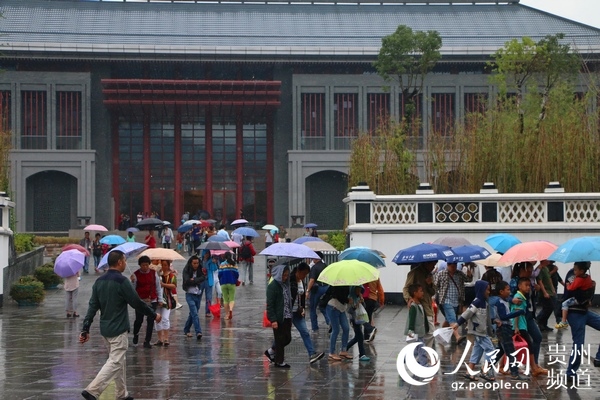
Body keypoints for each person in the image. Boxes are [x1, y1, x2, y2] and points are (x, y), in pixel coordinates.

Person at [79, 250, 161, 400]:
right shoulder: (122, 281)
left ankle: (122, 394)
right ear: (119, 262)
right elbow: (136, 302)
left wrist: (86, 328)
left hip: (105, 328)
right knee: (115, 361)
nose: (125, 263)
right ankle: (93, 390)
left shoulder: (99, 281)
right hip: (118, 328)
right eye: (124, 260)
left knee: (119, 361)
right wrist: (153, 314)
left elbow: (92, 306)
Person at [265, 263, 325, 365]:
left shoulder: (301, 282)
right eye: (304, 273)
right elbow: (279, 300)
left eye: (306, 274)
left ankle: (311, 354)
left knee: (304, 332)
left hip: (297, 313)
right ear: (298, 271)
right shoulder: (288, 281)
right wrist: (274, 318)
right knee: (284, 337)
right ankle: (274, 354)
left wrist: (302, 308)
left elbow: (301, 297)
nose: (305, 276)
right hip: (287, 313)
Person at [451, 280, 495, 382]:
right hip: (479, 332)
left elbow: (486, 318)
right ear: (481, 290)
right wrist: (457, 324)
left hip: (481, 331)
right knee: (491, 350)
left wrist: (491, 326)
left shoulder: (484, 302)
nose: (488, 292)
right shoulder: (477, 302)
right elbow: (467, 313)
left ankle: (469, 372)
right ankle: (485, 371)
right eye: (487, 290)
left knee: (477, 351)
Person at [564, 261, 600, 381]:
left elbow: (588, 295)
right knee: (578, 343)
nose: (590, 263)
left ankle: (599, 358)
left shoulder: (586, 276)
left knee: (578, 343)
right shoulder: (573, 274)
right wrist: (586, 293)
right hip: (575, 312)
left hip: (584, 311)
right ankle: (571, 373)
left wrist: (591, 289)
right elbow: (571, 291)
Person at [491, 281, 529, 381]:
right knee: (511, 351)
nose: (509, 292)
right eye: (507, 290)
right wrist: (517, 313)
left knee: (500, 351)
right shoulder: (500, 302)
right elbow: (503, 317)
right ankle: (514, 373)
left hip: (505, 328)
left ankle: (487, 366)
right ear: (501, 291)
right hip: (504, 329)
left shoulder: (504, 301)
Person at [511, 277, 548, 376]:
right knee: (529, 346)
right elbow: (516, 312)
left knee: (506, 347)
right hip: (520, 326)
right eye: (526, 285)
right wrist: (516, 327)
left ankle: (502, 366)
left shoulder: (523, 296)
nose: (528, 287)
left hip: (522, 324)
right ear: (519, 286)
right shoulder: (519, 297)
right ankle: (534, 367)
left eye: (529, 286)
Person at [434, 260, 471, 343]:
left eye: (455, 266)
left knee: (448, 319)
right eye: (452, 266)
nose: (453, 268)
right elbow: (435, 286)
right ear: (448, 265)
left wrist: (469, 273)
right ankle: (457, 337)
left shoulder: (459, 274)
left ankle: (440, 336)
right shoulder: (441, 274)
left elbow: (468, 279)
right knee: (452, 318)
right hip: (446, 300)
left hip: (457, 300)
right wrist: (434, 297)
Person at [130, 255, 162, 348]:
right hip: (140, 301)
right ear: (140, 265)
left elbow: (158, 286)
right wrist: (132, 281)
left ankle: (147, 340)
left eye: (146, 265)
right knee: (139, 320)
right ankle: (136, 334)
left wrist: (160, 299)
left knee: (151, 320)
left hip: (152, 300)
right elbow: (133, 289)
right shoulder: (135, 274)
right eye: (143, 265)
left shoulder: (153, 273)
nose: (145, 267)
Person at [265, 264, 293, 368]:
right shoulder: (272, 286)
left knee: (287, 338)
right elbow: (270, 304)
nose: (285, 277)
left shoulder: (286, 285)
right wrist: (273, 320)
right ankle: (279, 361)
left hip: (287, 316)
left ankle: (271, 351)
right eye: (283, 275)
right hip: (278, 317)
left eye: (287, 275)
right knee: (280, 339)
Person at [403, 261, 436, 346]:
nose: (433, 267)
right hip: (419, 306)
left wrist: (429, 284)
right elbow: (406, 288)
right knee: (430, 332)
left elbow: (433, 292)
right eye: (432, 264)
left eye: (434, 264)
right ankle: (425, 351)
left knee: (428, 332)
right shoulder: (414, 273)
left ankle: (424, 351)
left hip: (428, 305)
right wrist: (409, 299)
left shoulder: (430, 275)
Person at [556, 261, 594, 329]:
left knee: (564, 304)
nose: (574, 271)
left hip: (578, 301)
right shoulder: (588, 277)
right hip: (585, 300)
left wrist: (568, 285)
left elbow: (571, 288)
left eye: (575, 270)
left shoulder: (578, 279)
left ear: (581, 271)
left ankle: (563, 321)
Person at [404, 283, 429, 366]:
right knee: (421, 348)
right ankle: (424, 364)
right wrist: (411, 331)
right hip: (416, 332)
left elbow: (423, 318)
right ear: (415, 293)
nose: (422, 293)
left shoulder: (420, 304)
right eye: (420, 291)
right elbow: (411, 320)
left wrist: (426, 327)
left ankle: (406, 358)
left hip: (420, 331)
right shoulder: (414, 306)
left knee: (415, 349)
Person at [182, 255, 206, 340]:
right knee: (195, 313)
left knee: (192, 313)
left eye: (197, 263)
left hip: (198, 294)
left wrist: (194, 280)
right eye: (194, 263)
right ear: (191, 263)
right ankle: (198, 331)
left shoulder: (200, 269)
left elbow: (203, 278)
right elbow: (187, 281)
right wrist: (196, 280)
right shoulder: (186, 270)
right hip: (189, 294)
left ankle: (186, 329)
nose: (196, 265)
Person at [326, 284, 352, 361]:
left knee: (346, 328)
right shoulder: (337, 284)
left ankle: (343, 350)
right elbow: (338, 295)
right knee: (336, 330)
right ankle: (331, 352)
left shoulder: (347, 284)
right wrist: (347, 300)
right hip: (333, 307)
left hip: (341, 308)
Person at [305, 252, 330, 332]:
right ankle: (329, 322)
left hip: (317, 289)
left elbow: (312, 280)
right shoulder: (325, 266)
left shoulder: (314, 267)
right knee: (323, 306)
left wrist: (308, 290)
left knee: (313, 308)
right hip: (326, 287)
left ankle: (314, 327)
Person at [346, 286, 370, 361]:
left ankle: (345, 347)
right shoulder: (350, 297)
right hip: (353, 320)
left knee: (358, 337)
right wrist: (356, 305)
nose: (358, 291)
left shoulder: (358, 297)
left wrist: (362, 300)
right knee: (360, 336)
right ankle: (362, 354)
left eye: (360, 290)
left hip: (359, 318)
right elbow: (349, 310)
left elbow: (364, 306)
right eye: (357, 289)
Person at [156, 260, 177, 346]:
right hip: (157, 299)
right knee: (157, 319)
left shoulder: (171, 275)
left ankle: (166, 338)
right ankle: (160, 339)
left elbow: (174, 286)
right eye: (162, 265)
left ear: (168, 266)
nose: (164, 267)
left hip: (167, 300)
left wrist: (163, 284)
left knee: (165, 318)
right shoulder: (157, 275)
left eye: (165, 265)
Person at [535, 260, 556, 332]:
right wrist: (544, 292)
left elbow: (549, 278)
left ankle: (544, 324)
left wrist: (552, 288)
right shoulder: (540, 269)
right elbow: (540, 281)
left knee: (550, 307)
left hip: (549, 291)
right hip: (544, 291)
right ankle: (540, 321)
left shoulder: (546, 268)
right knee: (548, 307)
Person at [362, 278, 385, 343]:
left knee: (361, 318)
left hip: (365, 299)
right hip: (373, 299)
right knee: (368, 317)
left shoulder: (363, 276)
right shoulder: (375, 276)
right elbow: (380, 289)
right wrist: (381, 300)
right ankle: (366, 337)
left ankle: (370, 329)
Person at [218, 252, 239, 320]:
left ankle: (227, 314)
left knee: (225, 299)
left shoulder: (222, 264)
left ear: (225, 257)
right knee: (231, 298)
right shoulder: (234, 264)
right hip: (232, 283)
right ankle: (231, 310)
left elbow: (219, 274)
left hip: (223, 283)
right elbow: (237, 274)